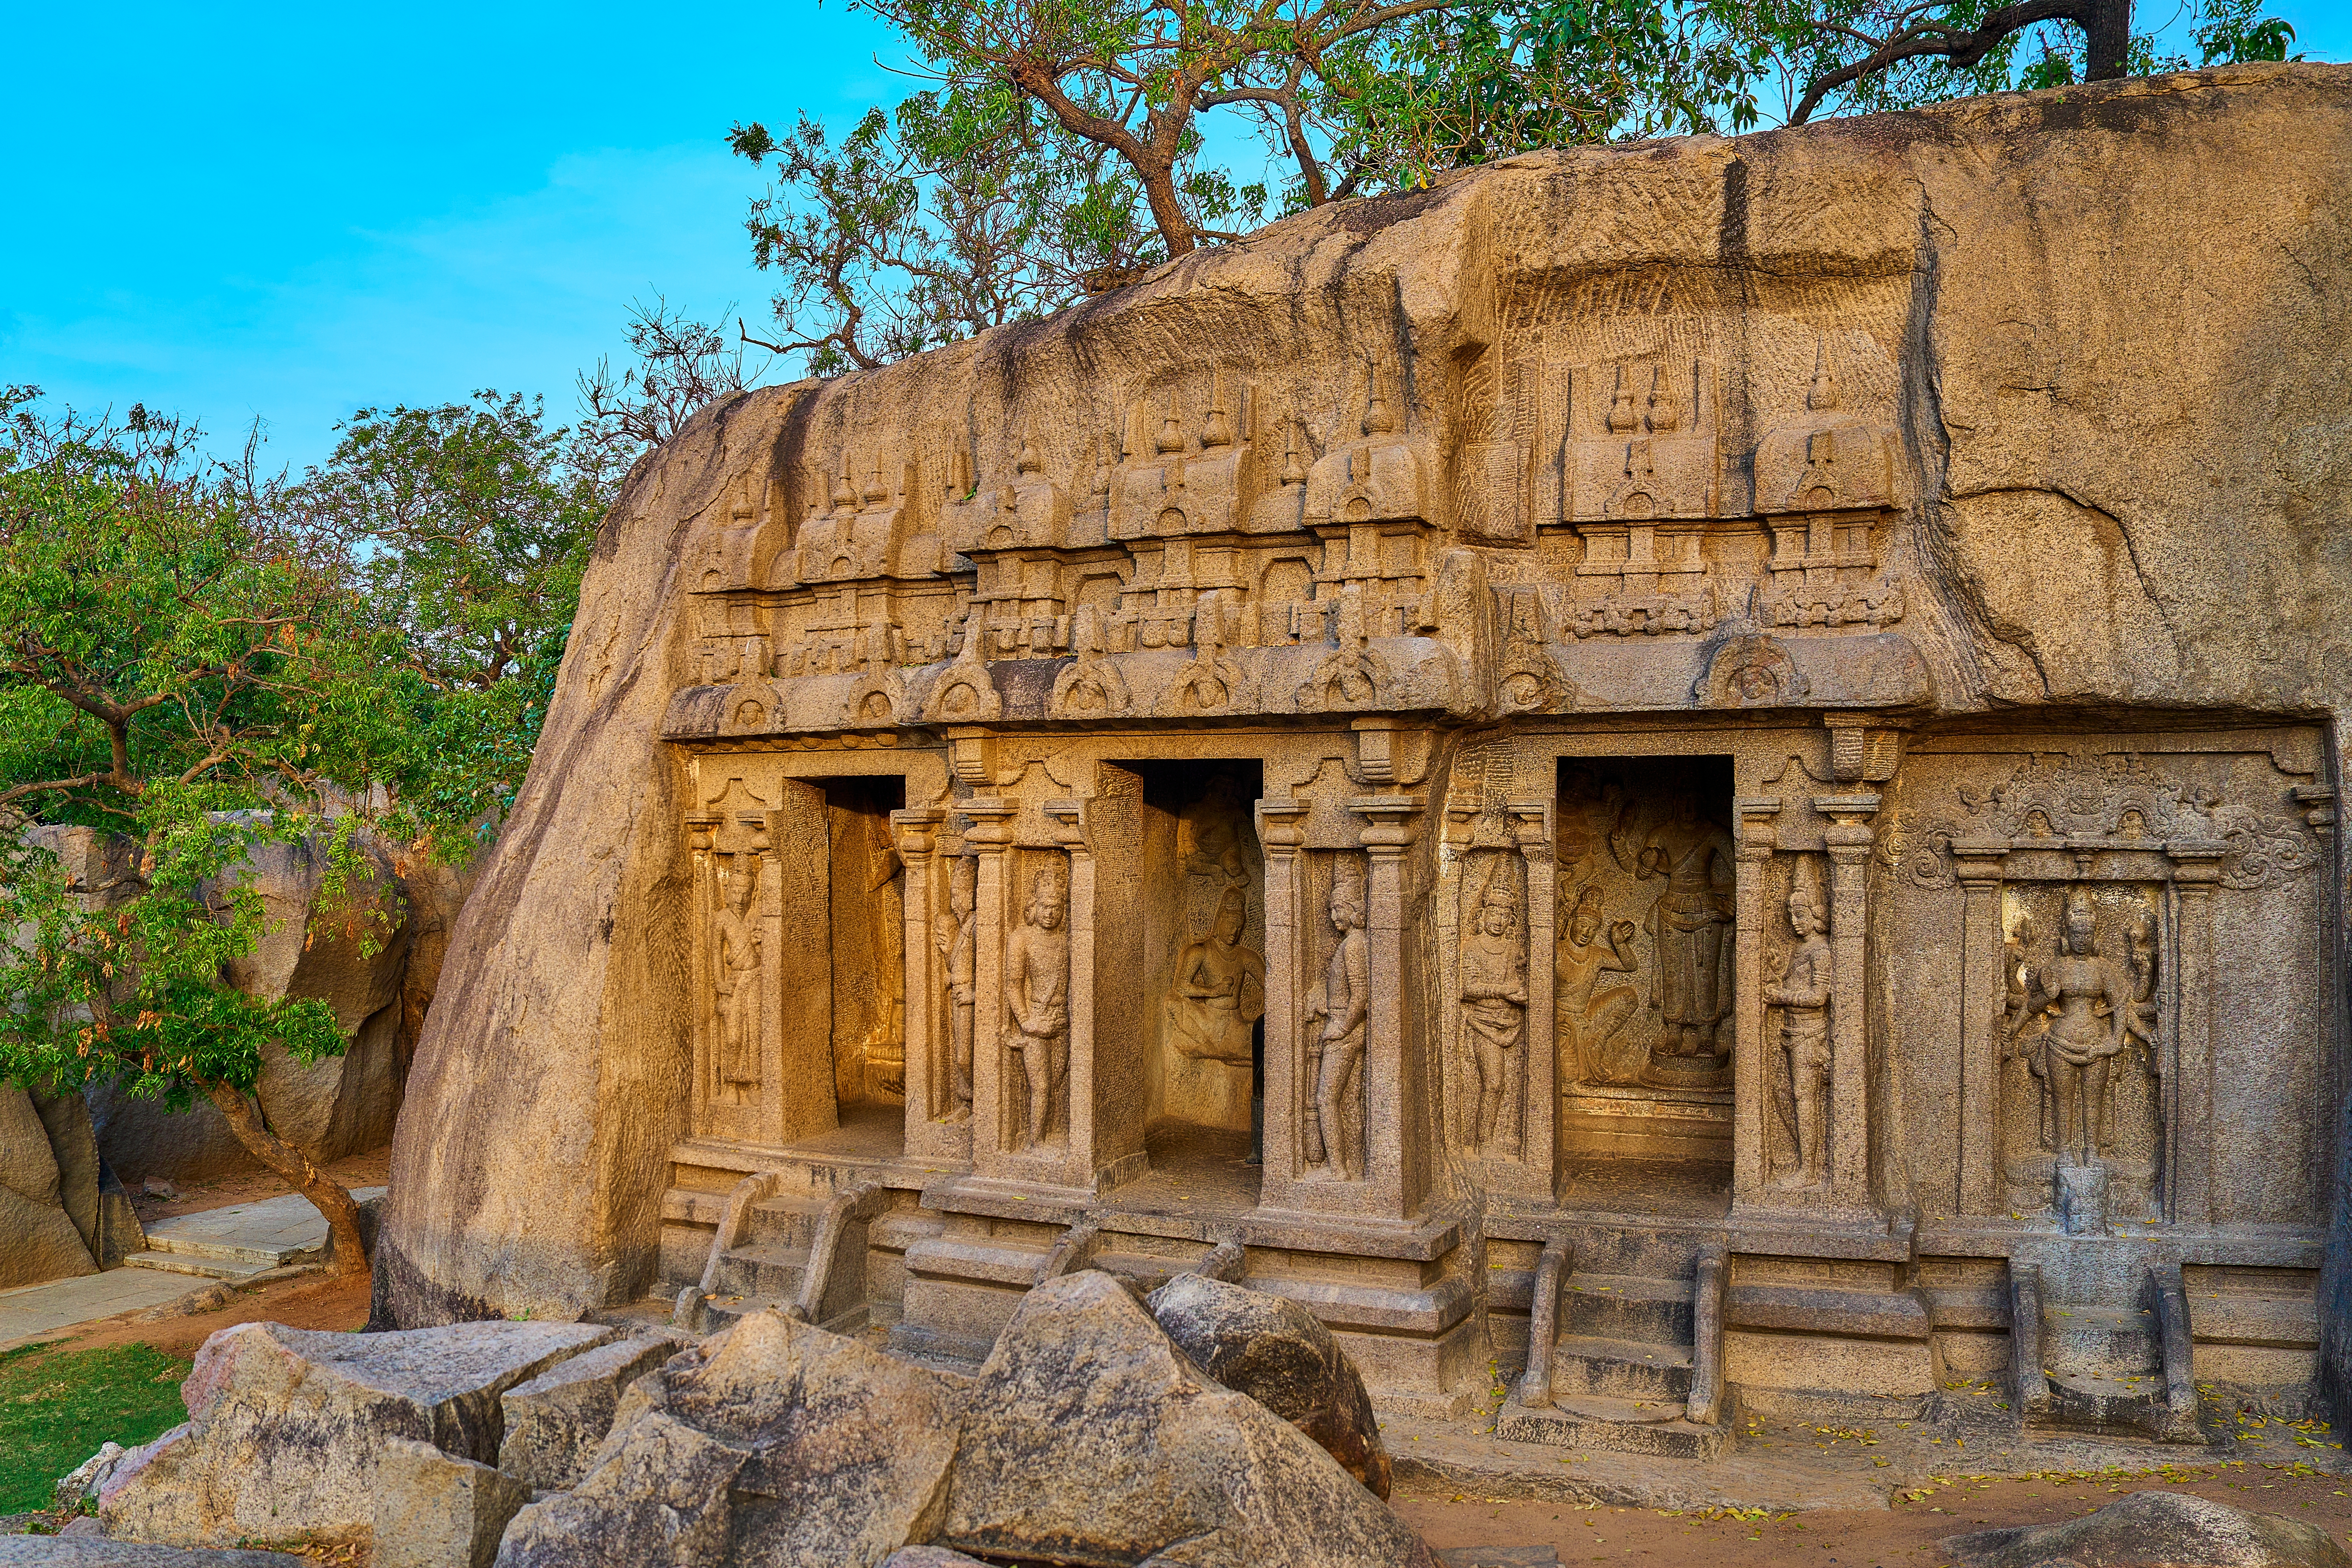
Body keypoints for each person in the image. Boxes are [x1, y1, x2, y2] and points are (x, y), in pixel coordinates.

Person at [1762, 860, 1833, 1189]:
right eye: (1792, 916)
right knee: (1789, 1095)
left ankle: (1809, 1169)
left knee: (1804, 1099)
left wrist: (1781, 997)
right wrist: (1779, 971)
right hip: (1792, 1032)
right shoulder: (1801, 948)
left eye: (1801, 915)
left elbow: (1820, 996)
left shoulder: (1820, 951)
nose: (1795, 922)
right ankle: (1803, 1160)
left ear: (1817, 917)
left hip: (1809, 1034)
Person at [1305, 867, 1369, 1180]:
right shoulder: (1351, 944)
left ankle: (1339, 1169)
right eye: (1330, 909)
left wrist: (1341, 1028)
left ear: (1355, 910)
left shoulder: (1355, 944)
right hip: (1345, 1026)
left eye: (1337, 909)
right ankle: (1347, 1164)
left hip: (1346, 1031)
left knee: (1326, 1098)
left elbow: (1361, 996)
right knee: (1346, 1099)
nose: (1332, 916)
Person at [1460, 863, 1529, 1152]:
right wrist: (1502, 990)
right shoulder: (1472, 947)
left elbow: (1520, 984)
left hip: (1510, 1021)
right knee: (1494, 1084)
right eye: (1494, 912)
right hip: (1483, 1022)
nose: (1499, 920)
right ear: (1483, 914)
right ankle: (1484, 1141)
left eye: (1505, 914)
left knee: (1507, 1086)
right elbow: (1466, 988)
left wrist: (1521, 991)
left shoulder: (1514, 950)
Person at [1003, 868, 1071, 1150]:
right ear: (1035, 905)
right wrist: (1027, 1022)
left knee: (1056, 1080)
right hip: (1035, 1017)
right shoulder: (1021, 939)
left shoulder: (1067, 941)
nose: (1050, 913)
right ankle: (1035, 1141)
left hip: (1060, 1019)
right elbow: (1013, 985)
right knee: (1040, 1087)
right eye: (1045, 906)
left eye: (1056, 907)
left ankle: (1051, 1131)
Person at [1165, 887, 1266, 1065]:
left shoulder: (1246, 956)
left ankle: (1222, 1052)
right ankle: (1206, 1044)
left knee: (1264, 1041)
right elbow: (1181, 988)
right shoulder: (1200, 951)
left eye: (1239, 927)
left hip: (1235, 1024)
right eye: (1230, 925)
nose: (1234, 932)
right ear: (1219, 920)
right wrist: (1213, 991)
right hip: (1207, 1021)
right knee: (1172, 1002)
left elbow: (1273, 986)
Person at [1555, 885, 1640, 1086]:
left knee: (1629, 997)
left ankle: (1597, 1042)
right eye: (1583, 925)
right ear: (1571, 924)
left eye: (1593, 929)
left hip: (1586, 1014)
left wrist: (1619, 942)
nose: (1587, 932)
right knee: (1570, 1078)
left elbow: (1630, 966)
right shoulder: (1557, 951)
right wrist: (1553, 1023)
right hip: (1561, 1019)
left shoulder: (1596, 954)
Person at [712, 858, 763, 1105]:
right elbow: (714, 952)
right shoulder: (722, 918)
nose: (741, 897)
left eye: (746, 892)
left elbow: (767, 951)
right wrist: (719, 982)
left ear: (752, 893)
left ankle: (754, 1083)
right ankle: (731, 1084)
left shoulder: (757, 916)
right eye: (736, 891)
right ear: (728, 891)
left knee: (755, 1033)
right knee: (734, 1037)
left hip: (755, 980)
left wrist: (759, 943)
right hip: (734, 981)